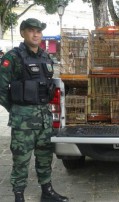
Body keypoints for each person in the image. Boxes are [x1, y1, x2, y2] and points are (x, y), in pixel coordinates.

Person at [0, 18, 68, 202]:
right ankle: (18, 195)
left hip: (44, 117)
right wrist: (15, 109)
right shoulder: (12, 57)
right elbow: (1, 89)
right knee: (21, 159)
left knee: (45, 156)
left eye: (39, 31)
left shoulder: (46, 57)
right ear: (23, 33)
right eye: (31, 30)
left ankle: (47, 191)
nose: (36, 34)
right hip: (23, 120)